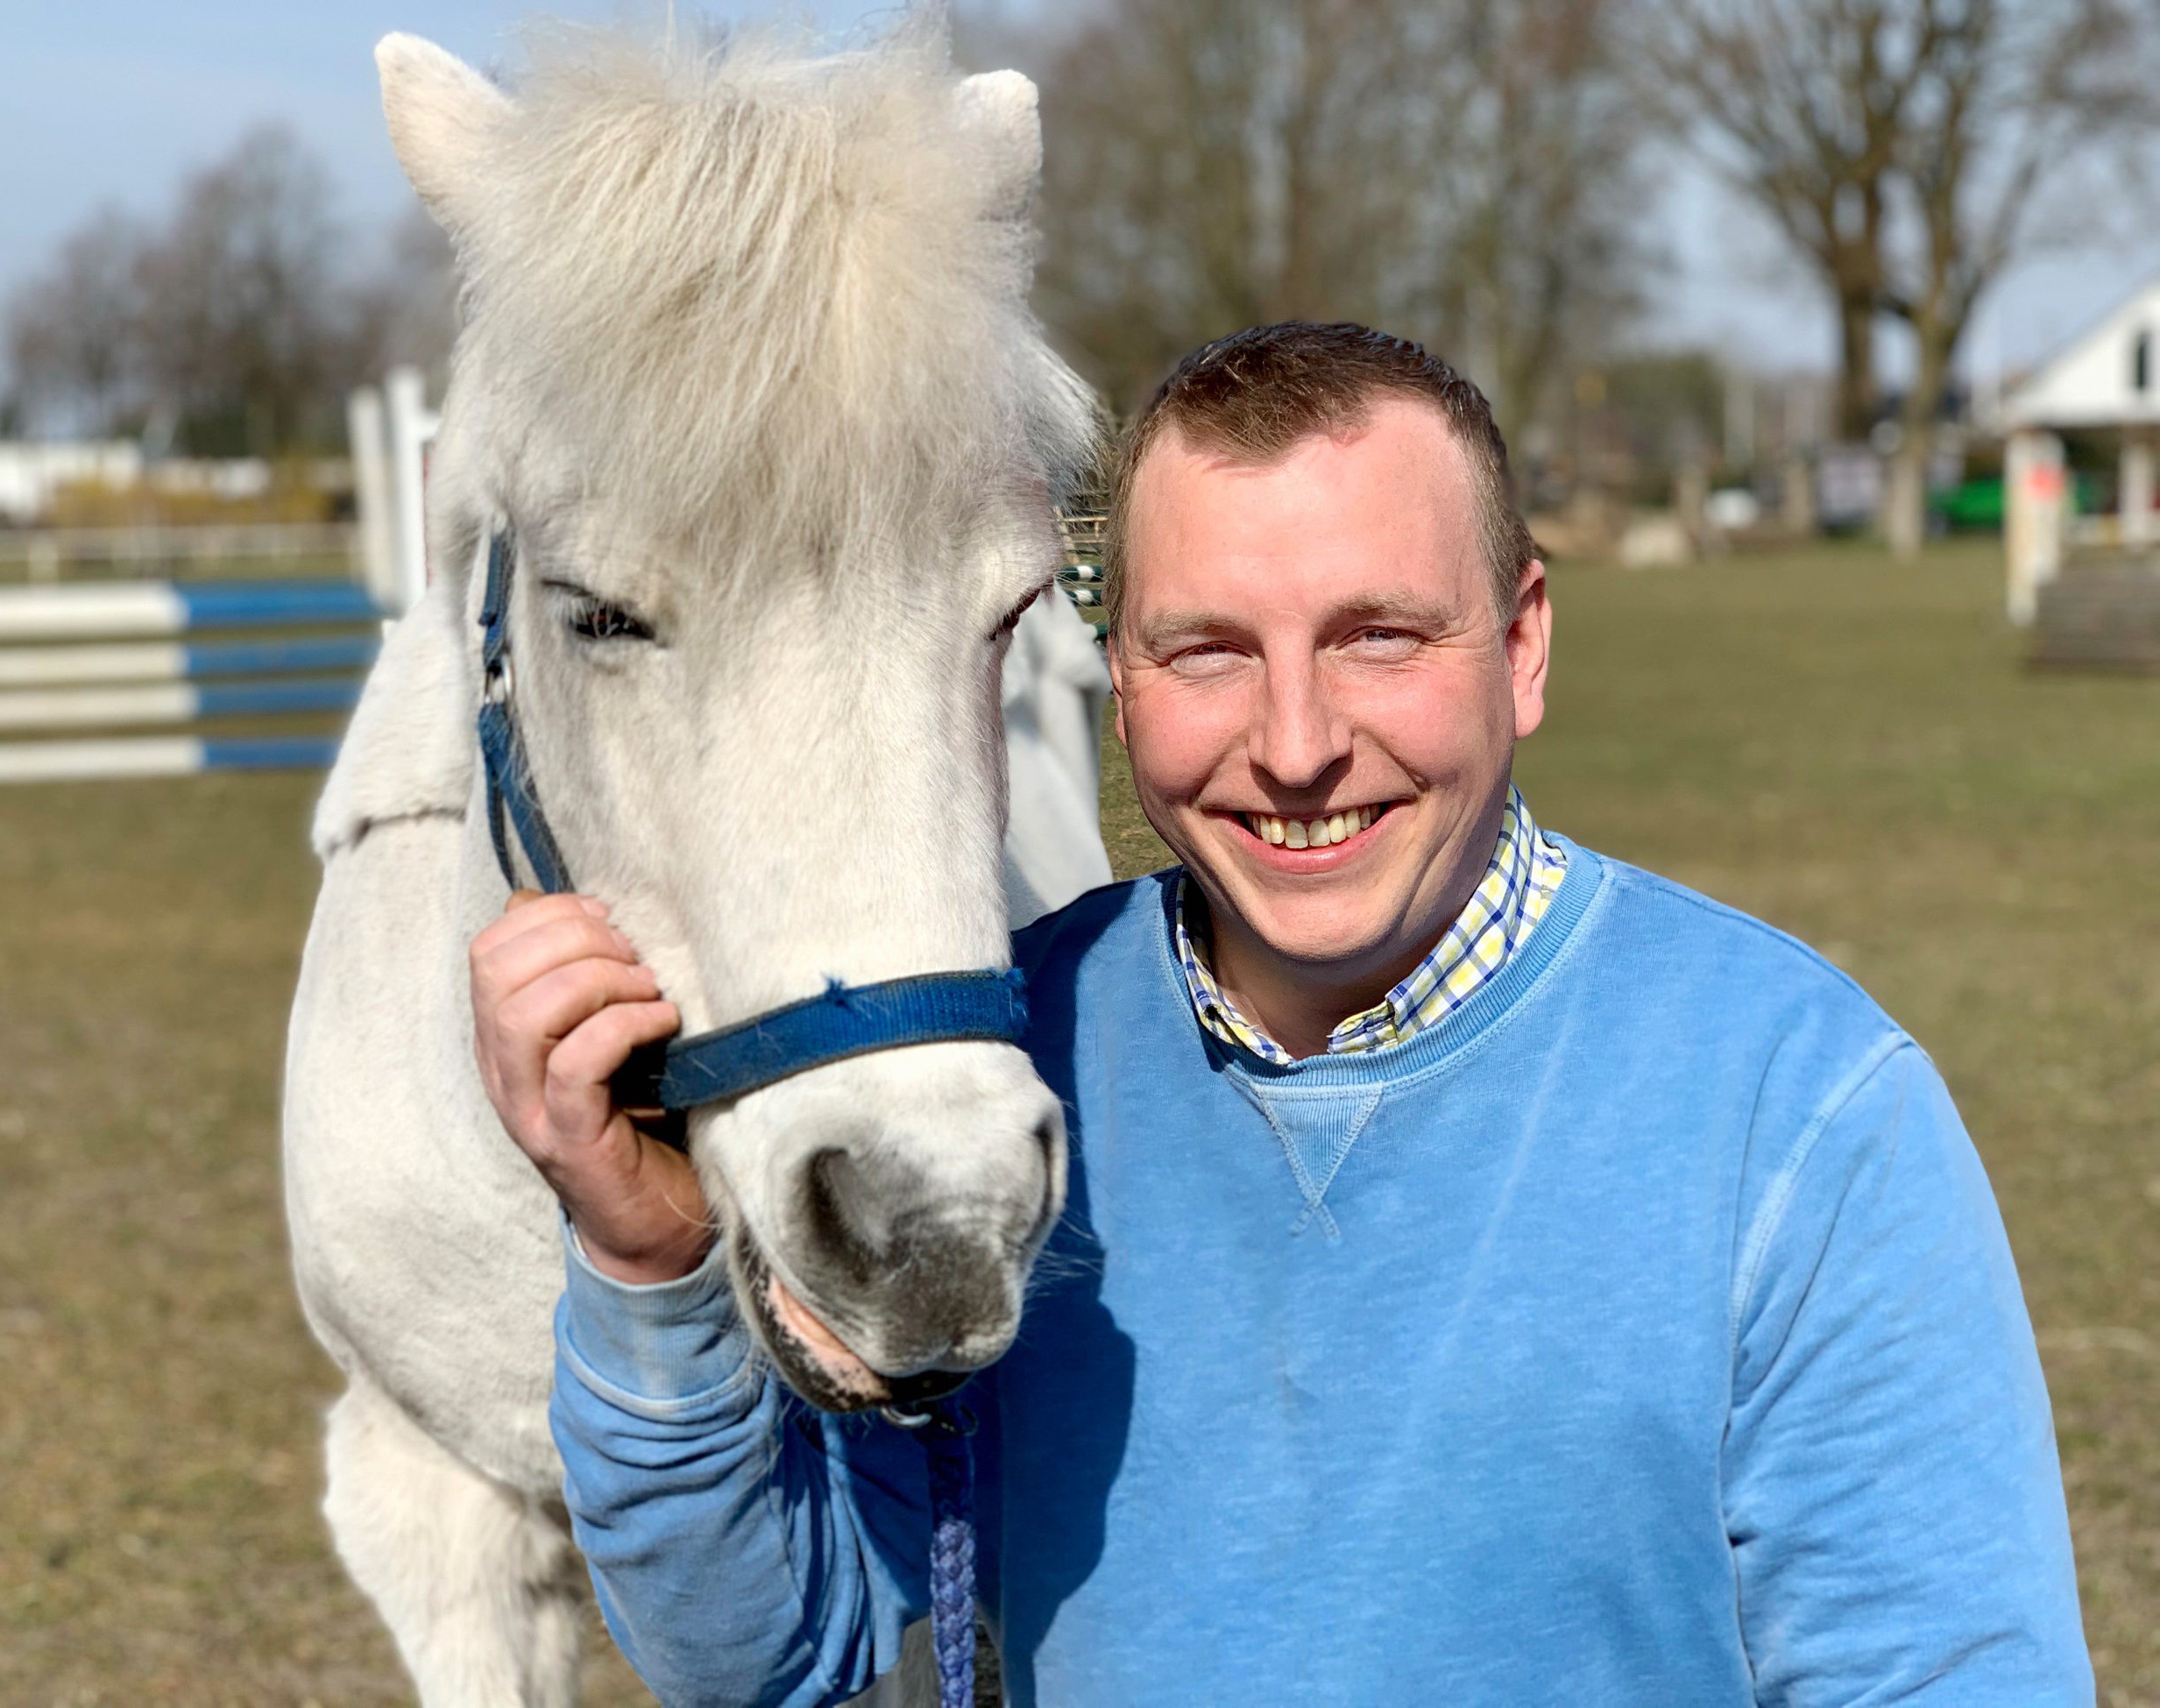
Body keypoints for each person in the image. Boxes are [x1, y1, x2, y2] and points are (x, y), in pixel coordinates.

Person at [468, 322, 2093, 1705]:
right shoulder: (996, 1085)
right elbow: (775, 1656)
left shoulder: (1799, 1107)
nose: (1296, 741)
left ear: (1520, 646)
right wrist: (647, 1268)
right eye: (1208, 650)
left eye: (1377, 635)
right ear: (1116, 677)